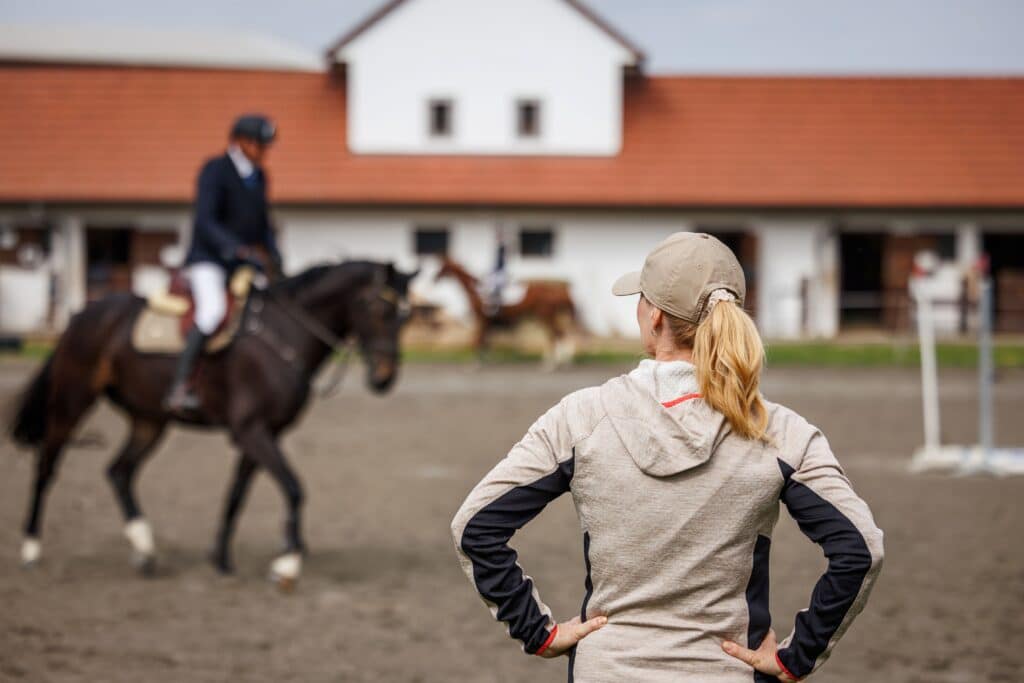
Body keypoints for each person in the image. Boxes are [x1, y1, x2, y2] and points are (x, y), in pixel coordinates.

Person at [451, 232, 884, 682]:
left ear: (654, 314)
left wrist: (535, 631)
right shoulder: (780, 432)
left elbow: (474, 527)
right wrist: (798, 654)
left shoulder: (580, 417)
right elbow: (860, 550)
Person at [163, 114, 282, 413]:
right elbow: (205, 221)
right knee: (212, 311)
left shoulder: (259, 177)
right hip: (209, 259)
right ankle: (181, 384)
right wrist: (236, 249)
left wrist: (274, 255)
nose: (264, 151)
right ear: (240, 142)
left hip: (243, 263)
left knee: (270, 305)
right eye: (260, 144)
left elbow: (262, 224)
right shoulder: (215, 170)